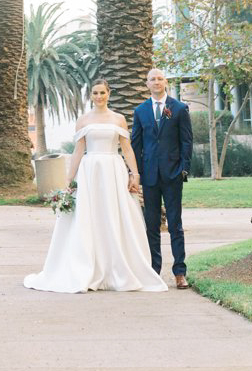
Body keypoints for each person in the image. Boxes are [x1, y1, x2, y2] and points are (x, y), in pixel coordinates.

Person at [23, 79, 169, 294]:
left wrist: (135, 174)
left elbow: (127, 149)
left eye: (102, 92)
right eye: (95, 93)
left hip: (113, 169)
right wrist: (68, 180)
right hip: (90, 171)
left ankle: (118, 268)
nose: (99, 96)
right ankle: (89, 266)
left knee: (114, 215)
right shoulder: (83, 120)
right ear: (91, 95)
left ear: (109, 94)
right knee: (90, 216)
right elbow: (78, 151)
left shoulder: (118, 119)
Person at [130, 65, 196, 287]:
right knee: (151, 225)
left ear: (165, 82)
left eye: (160, 78)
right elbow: (136, 144)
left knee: (175, 224)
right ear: (147, 84)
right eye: (152, 79)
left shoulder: (179, 108)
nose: (156, 82)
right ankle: (154, 270)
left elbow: (187, 141)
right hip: (149, 177)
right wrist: (135, 174)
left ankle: (179, 272)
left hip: (172, 174)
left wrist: (183, 169)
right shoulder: (140, 111)